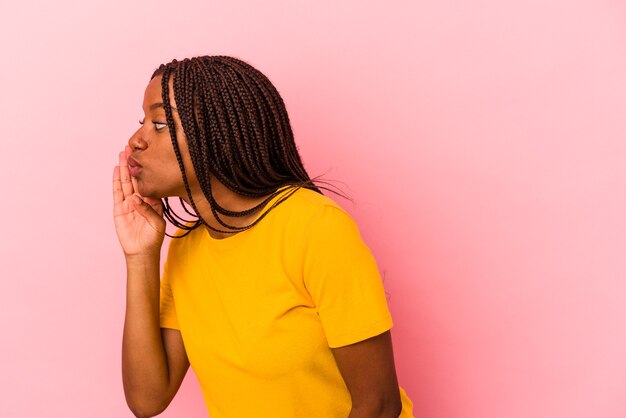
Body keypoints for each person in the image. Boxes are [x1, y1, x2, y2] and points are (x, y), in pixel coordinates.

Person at [112, 55, 414, 418]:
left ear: (217, 131)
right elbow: (147, 399)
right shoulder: (186, 246)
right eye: (141, 122)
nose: (136, 140)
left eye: (159, 123)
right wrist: (141, 255)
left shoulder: (313, 228)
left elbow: (379, 406)